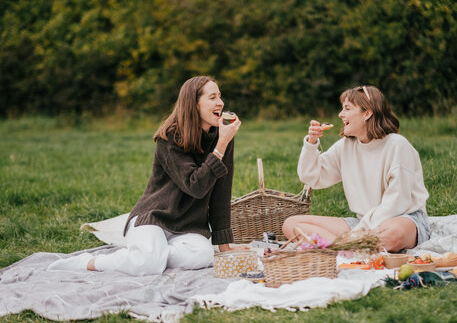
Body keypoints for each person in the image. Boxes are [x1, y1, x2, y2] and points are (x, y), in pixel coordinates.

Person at [48, 76, 244, 275]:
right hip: (153, 217)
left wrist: (224, 247)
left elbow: (221, 193)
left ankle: (146, 256)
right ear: (193, 104)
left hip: (189, 228)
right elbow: (195, 185)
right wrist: (220, 147)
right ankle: (90, 262)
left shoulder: (222, 137)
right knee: (150, 262)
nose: (220, 102)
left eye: (220, 96)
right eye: (212, 97)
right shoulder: (170, 138)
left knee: (203, 256)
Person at [282, 85, 430, 252]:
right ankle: (348, 249)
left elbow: (396, 204)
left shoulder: (397, 145)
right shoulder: (346, 146)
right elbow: (312, 177)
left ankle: (342, 247)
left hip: (401, 219)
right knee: (292, 225)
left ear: (367, 113)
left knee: (394, 233)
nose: (340, 114)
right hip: (362, 224)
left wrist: (361, 232)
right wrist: (311, 144)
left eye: (347, 108)